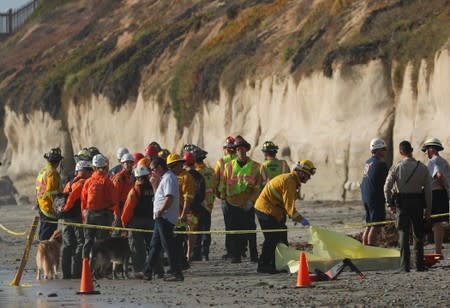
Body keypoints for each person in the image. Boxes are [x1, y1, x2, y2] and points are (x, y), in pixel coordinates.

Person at [254, 160, 315, 273]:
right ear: (301, 173)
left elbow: (286, 204)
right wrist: (301, 220)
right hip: (265, 210)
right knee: (272, 238)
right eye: (308, 175)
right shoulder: (289, 182)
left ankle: (278, 263)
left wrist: (292, 215)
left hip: (274, 211)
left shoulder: (292, 181)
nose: (309, 178)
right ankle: (263, 265)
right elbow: (289, 207)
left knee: (281, 235)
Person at [384, 141, 431, 272]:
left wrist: (389, 203)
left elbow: (386, 187)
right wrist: (428, 209)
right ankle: (419, 265)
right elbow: (428, 191)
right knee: (418, 234)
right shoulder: (422, 168)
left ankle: (404, 266)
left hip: (402, 203)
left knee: (403, 234)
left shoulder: (396, 167)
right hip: (417, 202)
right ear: (411, 150)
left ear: (400, 152)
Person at [220, 135, 262, 263]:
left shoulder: (256, 167)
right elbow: (223, 184)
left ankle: (253, 255)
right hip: (232, 203)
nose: (240, 151)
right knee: (234, 232)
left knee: (251, 230)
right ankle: (236, 255)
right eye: (238, 148)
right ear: (235, 150)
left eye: (243, 148)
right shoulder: (228, 166)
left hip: (247, 204)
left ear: (247, 149)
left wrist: (251, 201)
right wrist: (224, 197)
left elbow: (258, 187)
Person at [143, 157, 183, 281]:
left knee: (167, 245)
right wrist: (154, 185)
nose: (152, 172)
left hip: (164, 217)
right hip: (160, 217)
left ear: (160, 167)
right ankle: (147, 271)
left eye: (153, 169)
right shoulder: (164, 178)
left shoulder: (169, 178)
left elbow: (169, 197)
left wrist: (161, 211)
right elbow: (159, 196)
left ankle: (176, 273)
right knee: (155, 245)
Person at [122, 165, 163, 278]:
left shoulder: (135, 190)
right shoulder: (154, 188)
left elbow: (128, 209)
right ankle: (158, 271)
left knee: (137, 248)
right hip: (152, 221)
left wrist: (124, 225)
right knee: (153, 247)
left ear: (137, 177)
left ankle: (140, 271)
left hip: (136, 222)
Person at [81, 154, 118, 259]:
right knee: (102, 242)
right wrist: (114, 213)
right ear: (105, 167)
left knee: (88, 241)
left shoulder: (88, 181)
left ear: (93, 167)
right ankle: (101, 268)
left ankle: (86, 266)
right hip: (103, 215)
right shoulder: (107, 181)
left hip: (89, 214)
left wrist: (84, 216)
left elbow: (83, 201)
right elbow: (114, 200)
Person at [60, 160, 93, 279]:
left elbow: (64, 198)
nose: (91, 173)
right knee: (81, 243)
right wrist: (66, 209)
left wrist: (63, 211)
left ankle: (66, 273)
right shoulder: (82, 183)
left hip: (65, 219)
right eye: (89, 170)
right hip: (75, 217)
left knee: (68, 244)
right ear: (83, 171)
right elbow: (71, 199)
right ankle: (76, 272)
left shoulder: (69, 183)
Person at [167, 153, 196, 269]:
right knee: (174, 239)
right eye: (171, 167)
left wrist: (183, 214)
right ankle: (181, 261)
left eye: (175, 166)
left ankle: (182, 262)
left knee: (179, 238)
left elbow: (187, 198)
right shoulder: (170, 176)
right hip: (171, 213)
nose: (173, 168)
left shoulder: (187, 177)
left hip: (181, 214)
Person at [421, 137, 450, 257]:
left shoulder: (433, 161)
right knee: (438, 223)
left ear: (432, 149)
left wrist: (445, 185)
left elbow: (439, 175)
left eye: (426, 150)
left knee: (436, 223)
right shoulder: (443, 160)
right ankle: (438, 250)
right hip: (441, 193)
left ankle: (438, 251)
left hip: (436, 193)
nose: (426, 152)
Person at [360, 138, 389, 246]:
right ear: (377, 150)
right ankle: (371, 249)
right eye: (384, 149)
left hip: (366, 197)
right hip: (375, 197)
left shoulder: (368, 162)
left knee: (369, 224)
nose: (386, 151)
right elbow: (388, 183)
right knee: (376, 225)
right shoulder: (381, 164)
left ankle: (365, 248)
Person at [192, 147, 217, 261]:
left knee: (196, 229)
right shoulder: (211, 171)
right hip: (209, 204)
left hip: (198, 204)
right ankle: (205, 254)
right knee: (206, 230)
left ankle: (196, 253)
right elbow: (215, 187)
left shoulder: (196, 173)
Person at [214, 136, 237, 259]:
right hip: (240, 197)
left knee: (229, 226)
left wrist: (218, 193)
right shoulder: (241, 160)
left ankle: (231, 251)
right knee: (241, 225)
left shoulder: (221, 162)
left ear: (225, 149)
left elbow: (215, 179)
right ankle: (241, 250)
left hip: (226, 197)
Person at [35, 147, 64, 240]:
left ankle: (42, 249)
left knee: (43, 232)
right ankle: (44, 251)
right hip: (49, 209)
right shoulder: (53, 174)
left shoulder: (43, 171)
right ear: (57, 162)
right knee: (48, 235)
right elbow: (51, 193)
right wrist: (57, 208)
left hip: (42, 205)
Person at [182, 151, 206, 262]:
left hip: (182, 208)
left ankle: (182, 253)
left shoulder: (182, 176)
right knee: (192, 232)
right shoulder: (200, 176)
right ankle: (189, 254)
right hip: (195, 209)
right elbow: (202, 194)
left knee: (181, 232)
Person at [112, 153, 135, 236]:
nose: (129, 165)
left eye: (131, 163)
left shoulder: (130, 177)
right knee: (117, 233)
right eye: (127, 163)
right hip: (120, 208)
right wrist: (116, 213)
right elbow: (114, 197)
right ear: (122, 164)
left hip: (128, 207)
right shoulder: (119, 177)